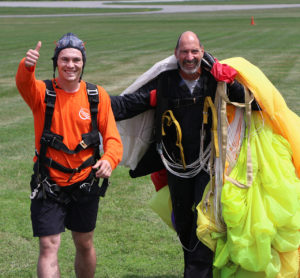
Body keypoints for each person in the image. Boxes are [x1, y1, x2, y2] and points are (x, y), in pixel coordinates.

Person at [110, 31, 251, 278]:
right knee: (184, 222)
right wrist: (88, 100)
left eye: (194, 51)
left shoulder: (214, 79)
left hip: (208, 165)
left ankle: (197, 274)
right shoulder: (164, 83)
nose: (189, 57)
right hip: (175, 167)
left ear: (202, 51)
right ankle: (195, 271)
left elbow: (252, 104)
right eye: (184, 52)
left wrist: (231, 83)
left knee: (202, 221)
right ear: (176, 54)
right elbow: (128, 105)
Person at [15, 33, 123, 278]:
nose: (70, 65)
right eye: (64, 59)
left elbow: (113, 139)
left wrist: (109, 160)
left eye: (76, 59)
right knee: (48, 245)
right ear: (56, 62)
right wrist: (27, 65)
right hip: (48, 182)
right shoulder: (42, 93)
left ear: (83, 63)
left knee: (84, 243)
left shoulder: (97, 96)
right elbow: (24, 84)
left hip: (85, 181)